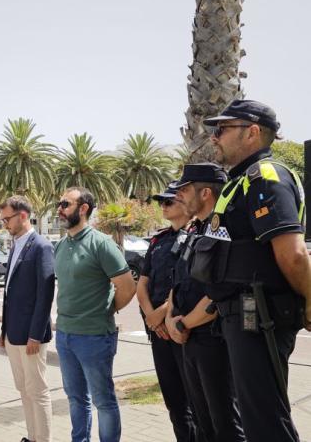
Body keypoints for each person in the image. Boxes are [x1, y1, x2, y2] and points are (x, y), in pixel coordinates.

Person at [191, 99, 311, 441]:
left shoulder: (266, 176)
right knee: (255, 415)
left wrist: (310, 300)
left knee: (265, 420)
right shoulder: (239, 181)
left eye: (223, 129)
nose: (214, 137)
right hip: (241, 314)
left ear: (252, 132)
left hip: (260, 313)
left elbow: (293, 255)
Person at [165, 164, 245, 441]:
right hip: (189, 338)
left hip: (214, 339)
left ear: (206, 193)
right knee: (202, 422)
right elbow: (179, 280)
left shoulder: (221, 229)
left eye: (185, 190)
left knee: (225, 423)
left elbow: (217, 291)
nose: (180, 196)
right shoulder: (192, 229)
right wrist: (170, 318)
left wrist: (183, 322)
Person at [54, 187, 136, 442]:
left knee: (103, 400)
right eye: (59, 204)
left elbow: (128, 286)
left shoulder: (101, 243)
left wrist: (107, 309)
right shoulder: (60, 246)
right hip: (65, 336)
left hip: (95, 337)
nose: (60, 209)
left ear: (83, 208)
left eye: (65, 204)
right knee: (76, 398)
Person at [135, 184, 197, 442]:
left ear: (185, 203)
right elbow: (142, 284)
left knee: (197, 403)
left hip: (185, 331)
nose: (163, 206)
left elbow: (189, 283)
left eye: (169, 201)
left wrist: (163, 314)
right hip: (159, 333)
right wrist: (152, 319)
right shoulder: (158, 241)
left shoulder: (198, 236)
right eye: (161, 201)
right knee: (175, 403)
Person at [0, 196, 55, 442]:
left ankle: (43, 439)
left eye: (7, 219)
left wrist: (35, 333)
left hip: (31, 335)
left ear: (23, 215)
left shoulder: (41, 245)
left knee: (38, 390)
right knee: (23, 389)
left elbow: (45, 294)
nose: (4, 224)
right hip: (13, 333)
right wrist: (4, 332)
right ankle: (32, 437)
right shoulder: (15, 244)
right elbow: (10, 293)